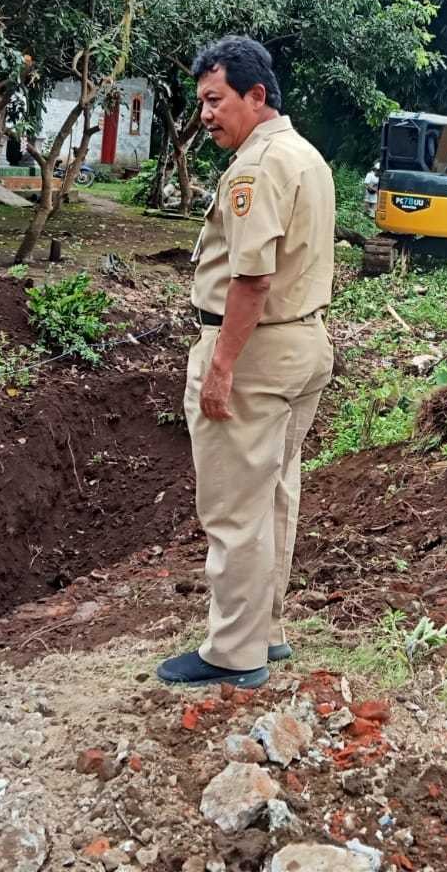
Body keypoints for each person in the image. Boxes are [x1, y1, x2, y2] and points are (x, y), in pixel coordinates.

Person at [156, 36, 335, 689]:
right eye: (202, 101)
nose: (205, 114)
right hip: (304, 344)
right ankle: (269, 630)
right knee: (276, 492)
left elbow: (251, 279)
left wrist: (221, 365)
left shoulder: (258, 168)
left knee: (234, 508)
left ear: (255, 96)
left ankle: (234, 653)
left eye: (215, 100)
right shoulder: (306, 156)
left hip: (256, 352)